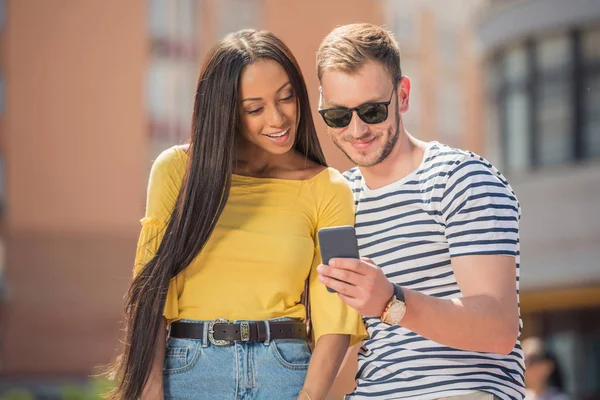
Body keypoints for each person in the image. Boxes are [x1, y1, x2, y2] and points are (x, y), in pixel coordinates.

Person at [106, 29, 366, 400]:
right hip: (189, 371)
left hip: (285, 370)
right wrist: (149, 391)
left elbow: (337, 310)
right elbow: (150, 293)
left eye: (287, 98)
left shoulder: (330, 188)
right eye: (255, 108)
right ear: (226, 111)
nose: (278, 119)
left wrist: (310, 396)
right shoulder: (176, 172)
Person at [315, 23, 525, 399]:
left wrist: (390, 302)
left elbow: (498, 329)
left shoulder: (460, 178)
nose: (357, 129)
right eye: (338, 116)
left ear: (403, 95)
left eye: (372, 110)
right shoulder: (336, 198)